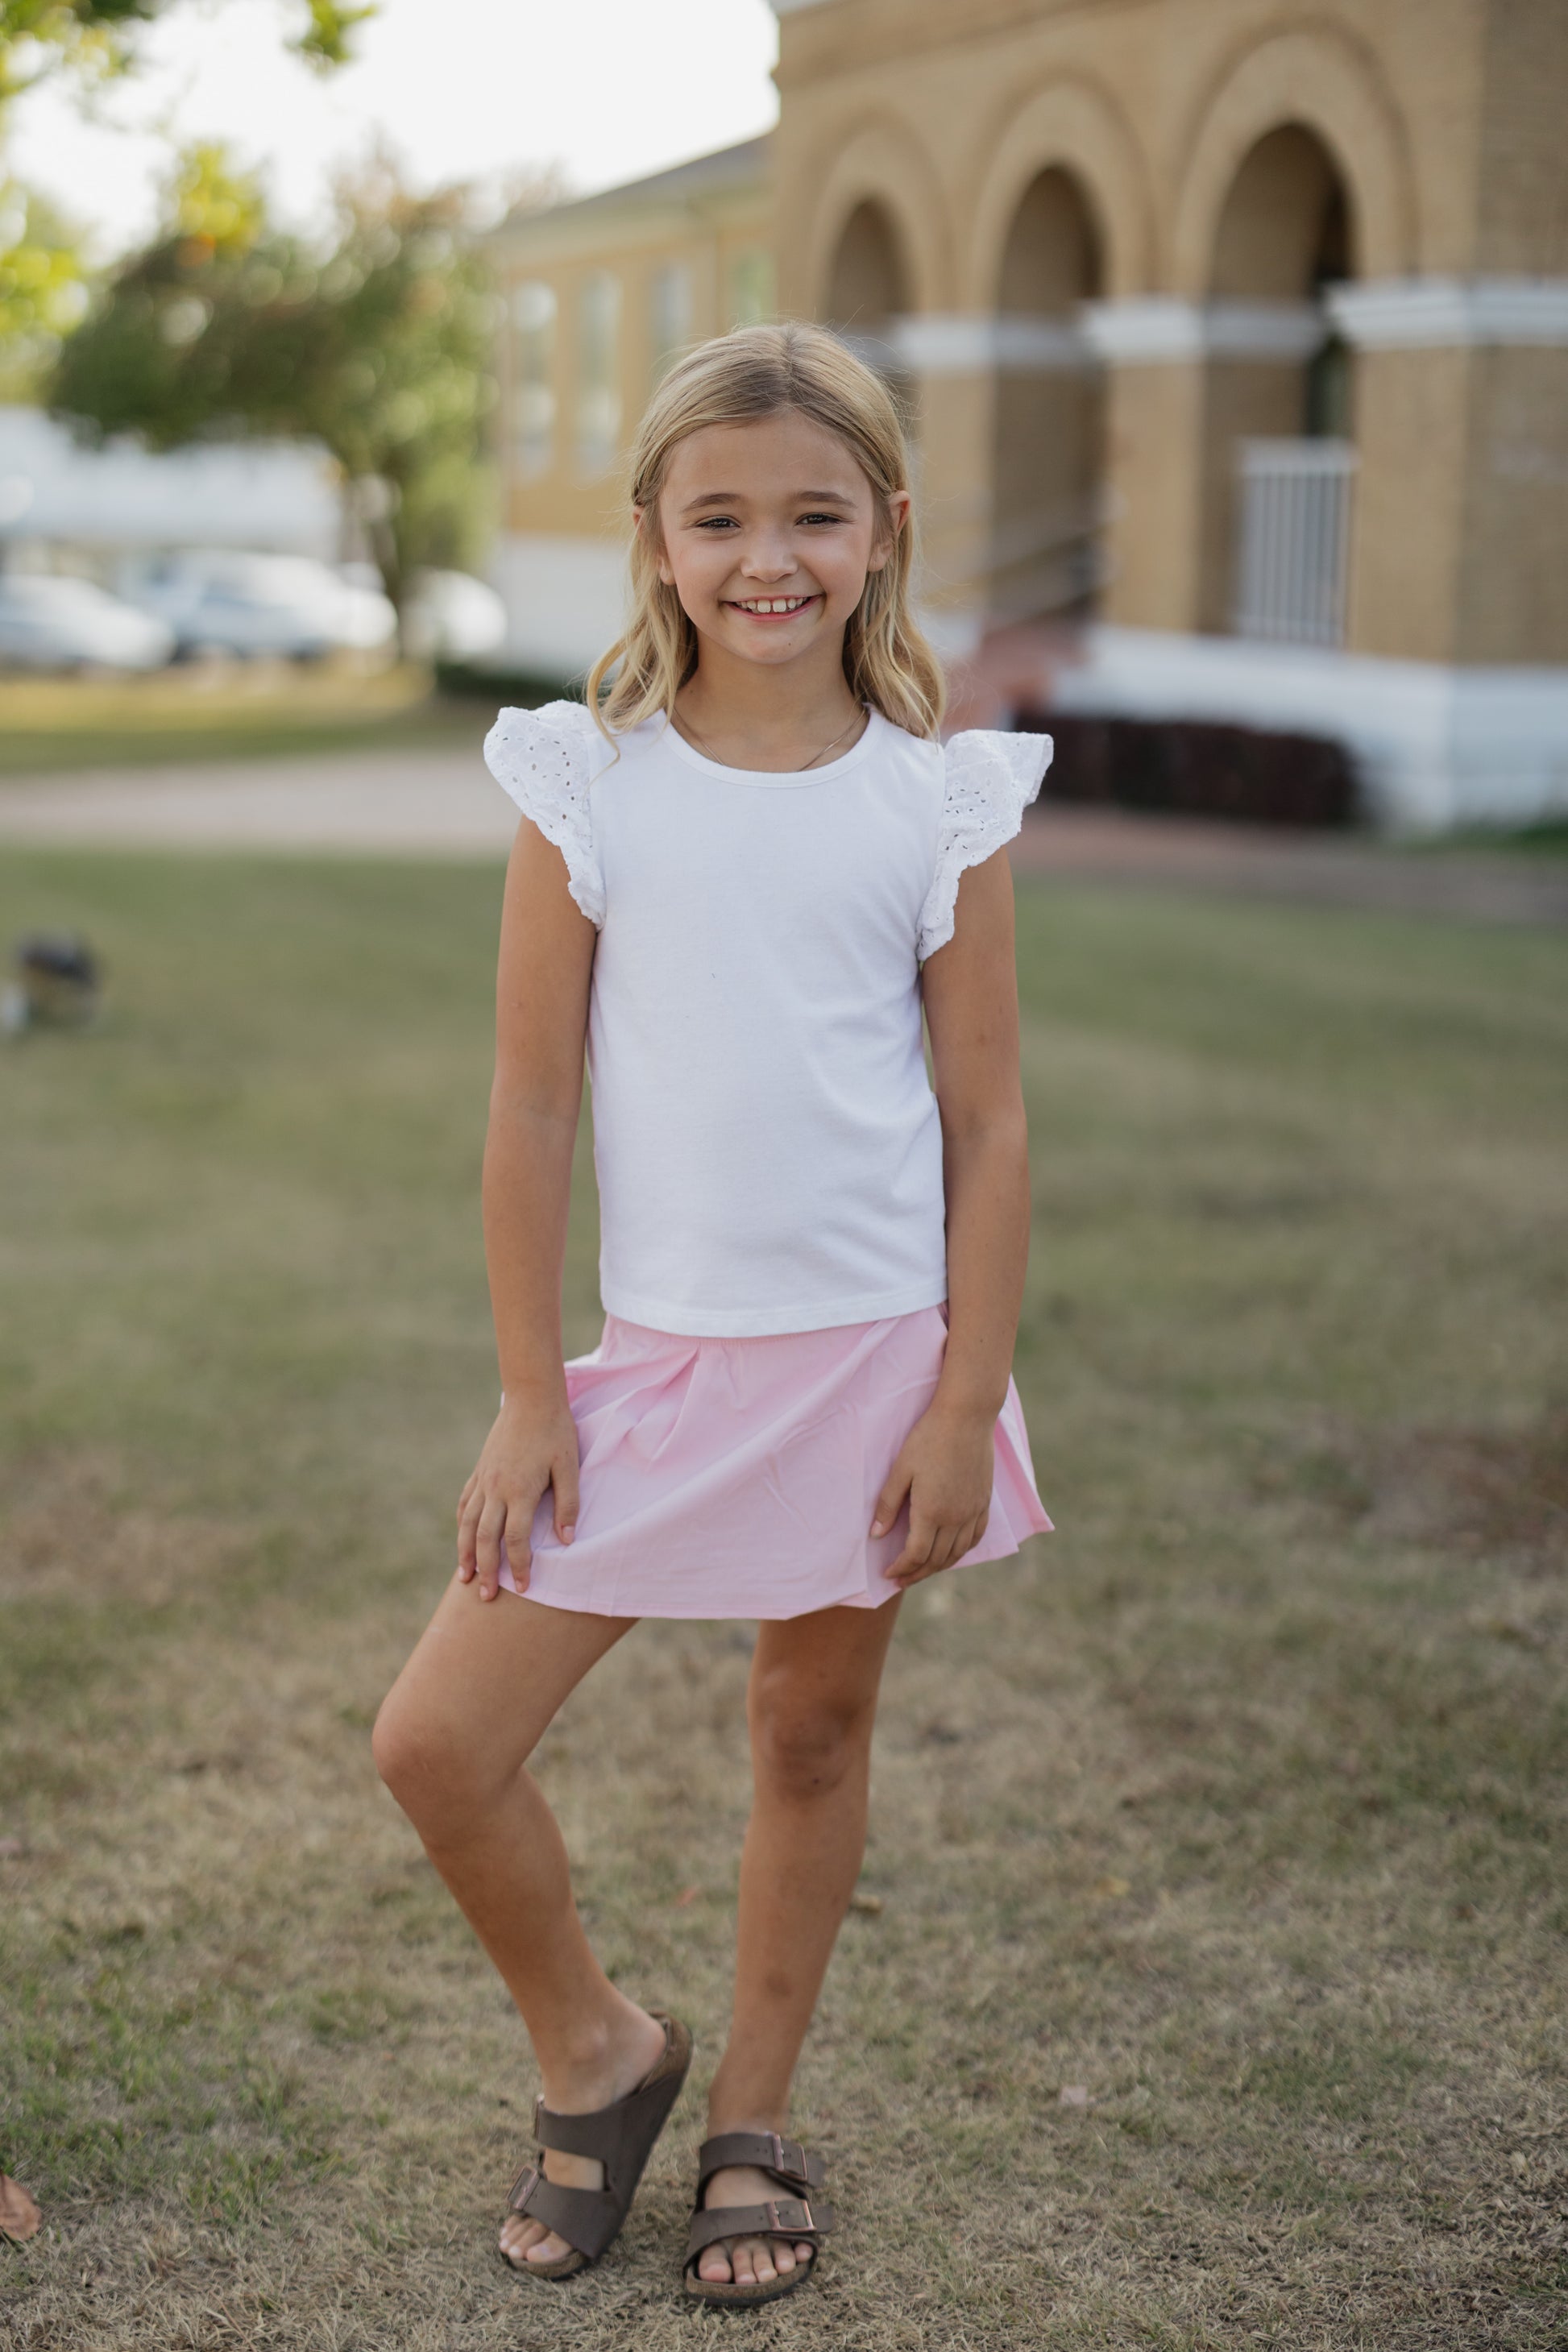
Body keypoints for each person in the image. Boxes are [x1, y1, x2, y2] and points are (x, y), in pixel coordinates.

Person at [372, 321, 1052, 2309]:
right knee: (435, 1740)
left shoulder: (940, 801)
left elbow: (992, 1119)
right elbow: (526, 1101)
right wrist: (527, 1389)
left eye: (815, 515)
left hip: (869, 1365)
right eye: (724, 515)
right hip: (655, 1366)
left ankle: (751, 2109)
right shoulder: (591, 784)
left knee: (810, 1727)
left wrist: (964, 1395)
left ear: (884, 533)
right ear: (655, 540)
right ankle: (602, 2049)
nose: (773, 556)